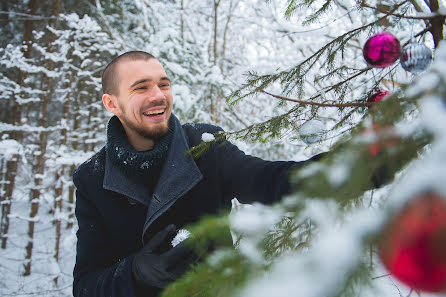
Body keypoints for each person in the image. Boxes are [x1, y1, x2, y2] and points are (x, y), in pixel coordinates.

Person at [72, 51, 375, 297]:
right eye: (141, 87)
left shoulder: (205, 148)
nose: (158, 96)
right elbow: (85, 286)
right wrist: (136, 273)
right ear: (112, 103)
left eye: (163, 84)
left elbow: (271, 180)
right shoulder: (92, 178)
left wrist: (354, 167)